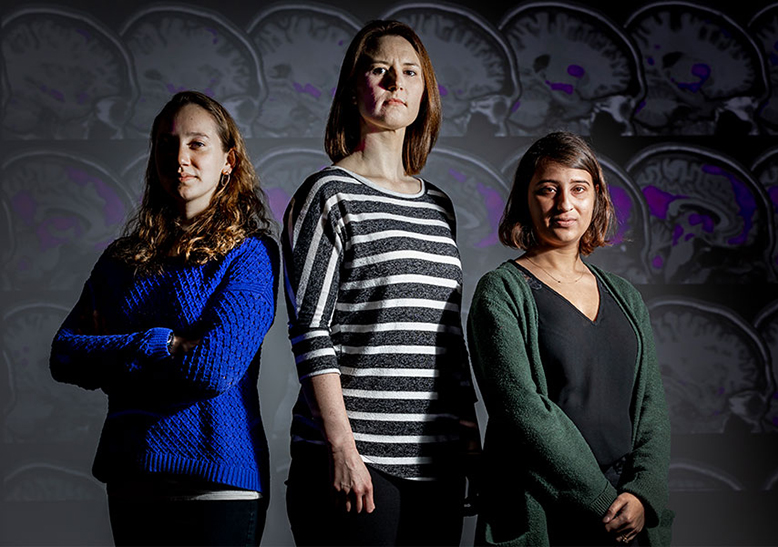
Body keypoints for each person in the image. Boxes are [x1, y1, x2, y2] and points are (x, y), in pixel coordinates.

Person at [281, 19, 480, 547]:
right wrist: (342, 448)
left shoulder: (438, 205)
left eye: (410, 72)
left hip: (437, 461)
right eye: (380, 69)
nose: (396, 82)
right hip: (359, 463)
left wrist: (469, 438)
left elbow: (447, 335)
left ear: (423, 92)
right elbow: (311, 330)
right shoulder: (326, 194)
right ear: (354, 88)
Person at [49, 90, 278, 547]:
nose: (180, 157)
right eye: (166, 144)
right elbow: (66, 353)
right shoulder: (121, 260)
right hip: (133, 479)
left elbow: (215, 366)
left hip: (218, 489)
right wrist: (164, 345)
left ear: (228, 161)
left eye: (197, 143)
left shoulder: (250, 254)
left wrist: (118, 359)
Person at [467, 132, 674, 546]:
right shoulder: (502, 291)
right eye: (548, 190)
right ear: (526, 199)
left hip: (627, 514)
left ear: (596, 197)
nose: (565, 204)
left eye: (578, 188)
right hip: (546, 511)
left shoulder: (625, 296)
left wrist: (640, 493)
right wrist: (602, 501)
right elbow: (522, 411)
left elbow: (652, 405)